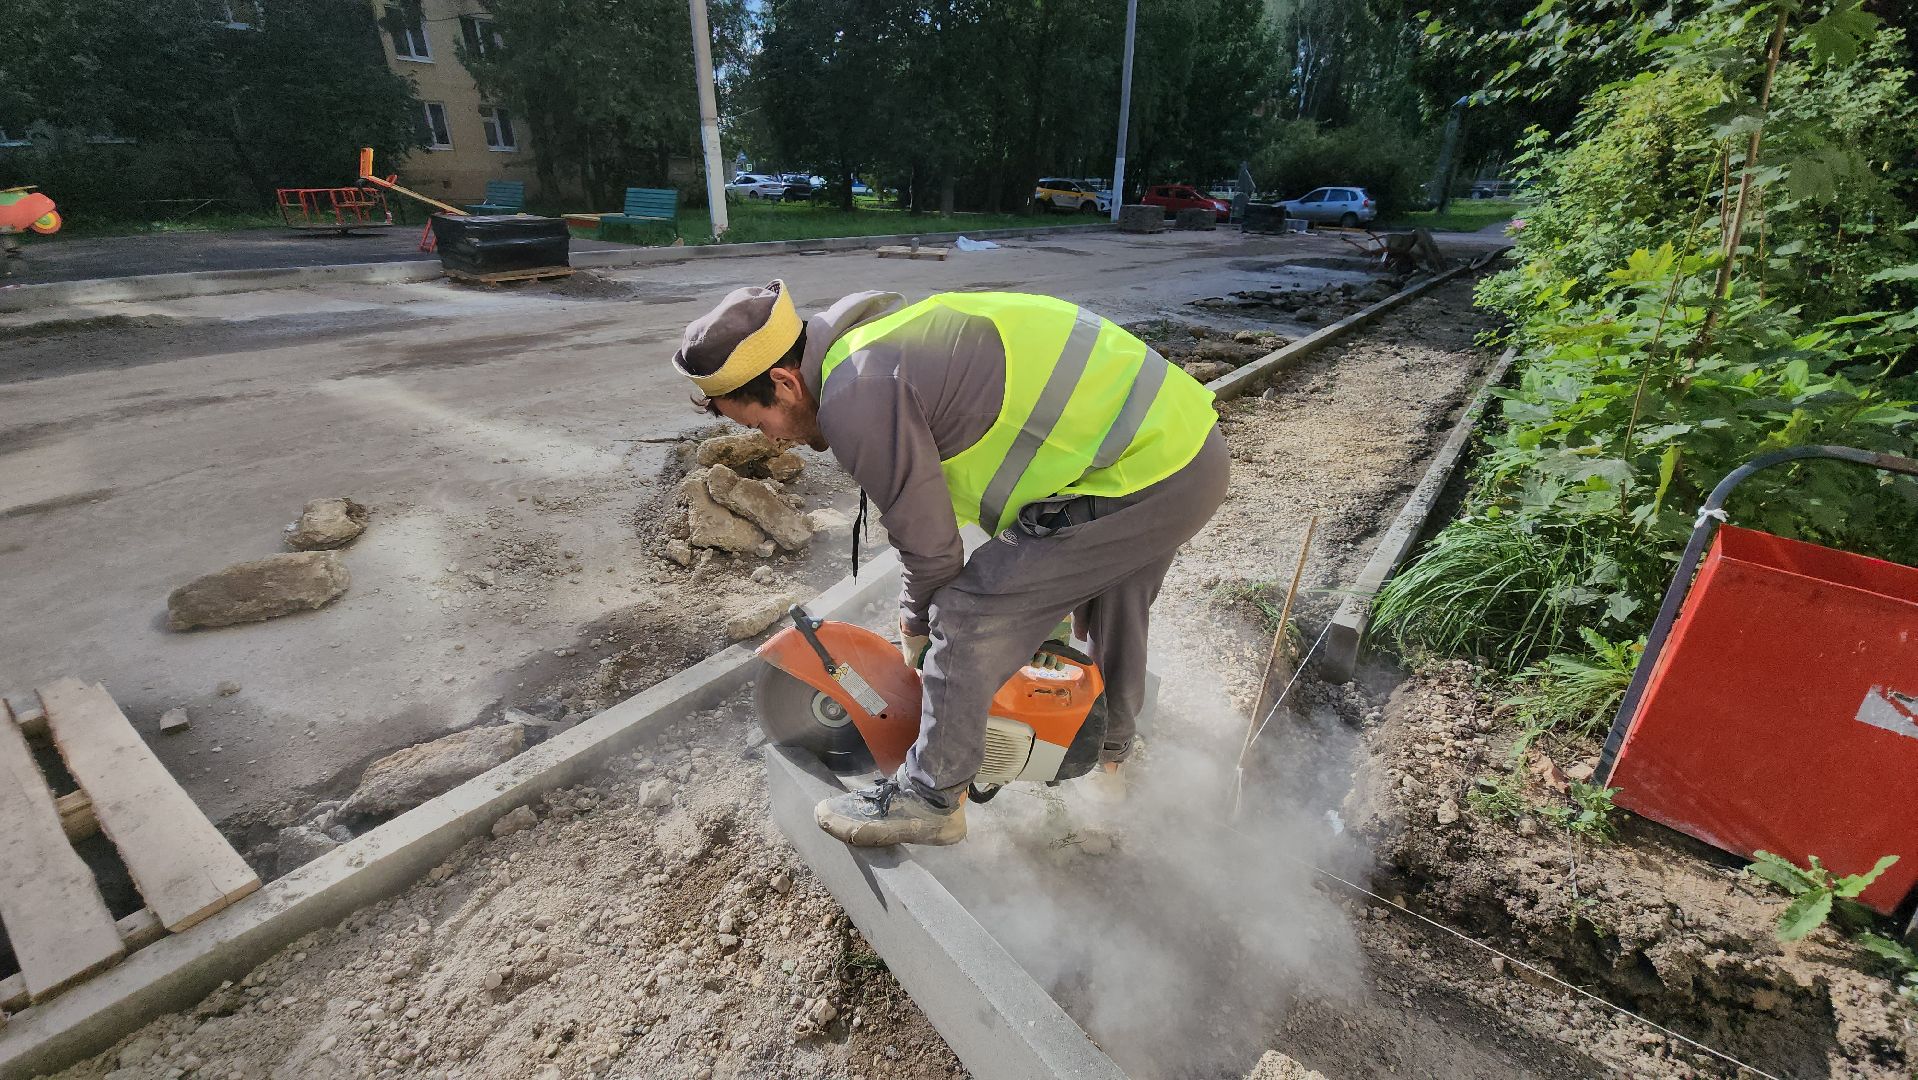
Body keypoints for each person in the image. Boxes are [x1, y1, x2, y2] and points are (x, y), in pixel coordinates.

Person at [670, 280, 1228, 846]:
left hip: (1144, 470)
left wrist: (918, 624)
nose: (773, 442)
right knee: (1112, 600)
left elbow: (934, 553)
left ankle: (931, 797)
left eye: (757, 425)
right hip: (1180, 447)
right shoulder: (867, 341)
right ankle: (1110, 766)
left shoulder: (855, 392)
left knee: (967, 615)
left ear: (784, 383)